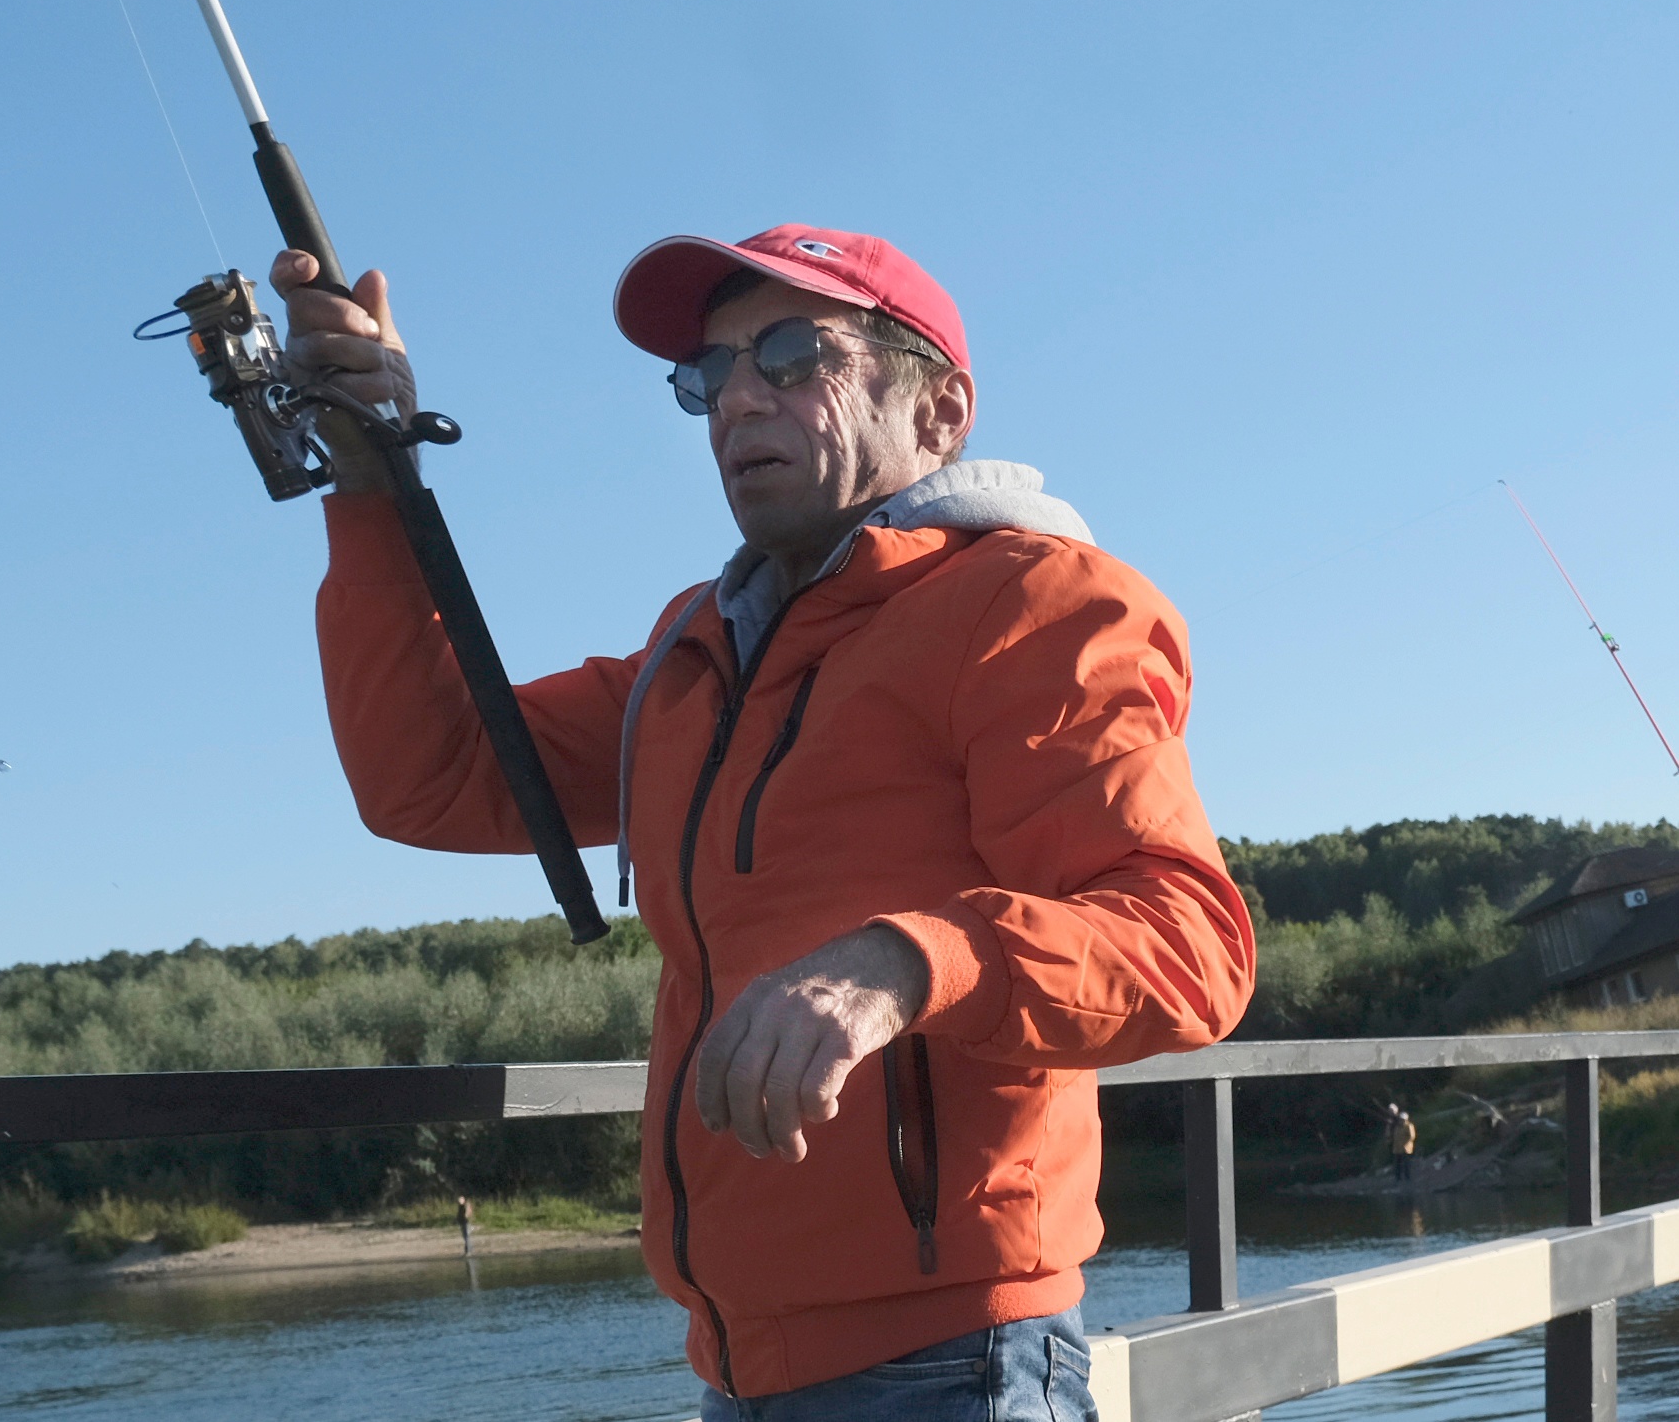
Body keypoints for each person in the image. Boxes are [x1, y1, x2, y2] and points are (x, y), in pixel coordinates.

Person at [277, 225, 1255, 1421]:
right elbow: (430, 777)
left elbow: (1183, 947)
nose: (737, 398)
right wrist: (371, 482)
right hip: (735, 1372)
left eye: (793, 355)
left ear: (939, 411)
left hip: (954, 1370)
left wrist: (903, 961)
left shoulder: (1034, 605)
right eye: (708, 375)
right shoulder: (694, 657)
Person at [1387, 1103, 1417, 1185]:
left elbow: (1412, 1136)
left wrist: (1406, 1144)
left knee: (1406, 1163)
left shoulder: (1409, 1126)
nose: (1401, 1120)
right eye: (1400, 1119)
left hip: (1406, 1148)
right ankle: (1398, 1178)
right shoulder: (1397, 1127)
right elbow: (1392, 1135)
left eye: (1403, 1119)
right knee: (1397, 1163)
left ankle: (1407, 1178)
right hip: (1397, 1148)